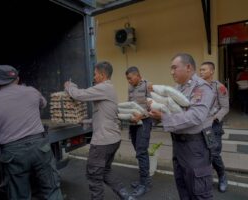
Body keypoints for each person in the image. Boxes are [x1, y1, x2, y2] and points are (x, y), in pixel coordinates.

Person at [0, 65, 63, 200]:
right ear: (17, 79)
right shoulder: (31, 92)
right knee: (51, 189)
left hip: (13, 152)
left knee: (19, 195)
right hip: (40, 147)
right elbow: (43, 104)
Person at [64, 61, 136, 200]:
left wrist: (70, 86)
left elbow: (80, 95)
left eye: (95, 74)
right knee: (105, 171)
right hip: (112, 140)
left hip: (103, 142)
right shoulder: (108, 89)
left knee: (94, 175)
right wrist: (85, 121)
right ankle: (126, 196)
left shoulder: (103, 88)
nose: (94, 77)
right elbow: (103, 116)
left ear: (103, 75)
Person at [149, 53, 214, 200]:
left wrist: (164, 117)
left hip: (195, 147)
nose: (172, 72)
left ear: (188, 67)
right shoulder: (178, 88)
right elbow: (169, 110)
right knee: (183, 187)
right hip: (179, 146)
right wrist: (154, 115)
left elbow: (196, 116)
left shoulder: (201, 88)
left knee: (198, 192)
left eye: (174, 68)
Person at [200, 61, 229, 192]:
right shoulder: (198, 87)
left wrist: (215, 118)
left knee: (214, 152)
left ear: (211, 71)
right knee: (204, 153)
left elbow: (225, 107)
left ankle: (222, 176)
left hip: (214, 125)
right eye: (200, 70)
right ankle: (207, 178)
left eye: (204, 70)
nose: (201, 72)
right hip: (202, 124)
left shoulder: (220, 87)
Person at [125, 66, 152, 197]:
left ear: (137, 76)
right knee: (138, 151)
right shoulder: (130, 87)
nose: (129, 81)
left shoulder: (148, 86)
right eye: (127, 79)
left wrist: (140, 117)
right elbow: (129, 103)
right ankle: (144, 179)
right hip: (134, 123)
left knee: (141, 152)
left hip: (144, 122)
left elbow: (153, 106)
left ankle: (144, 184)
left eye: (130, 78)